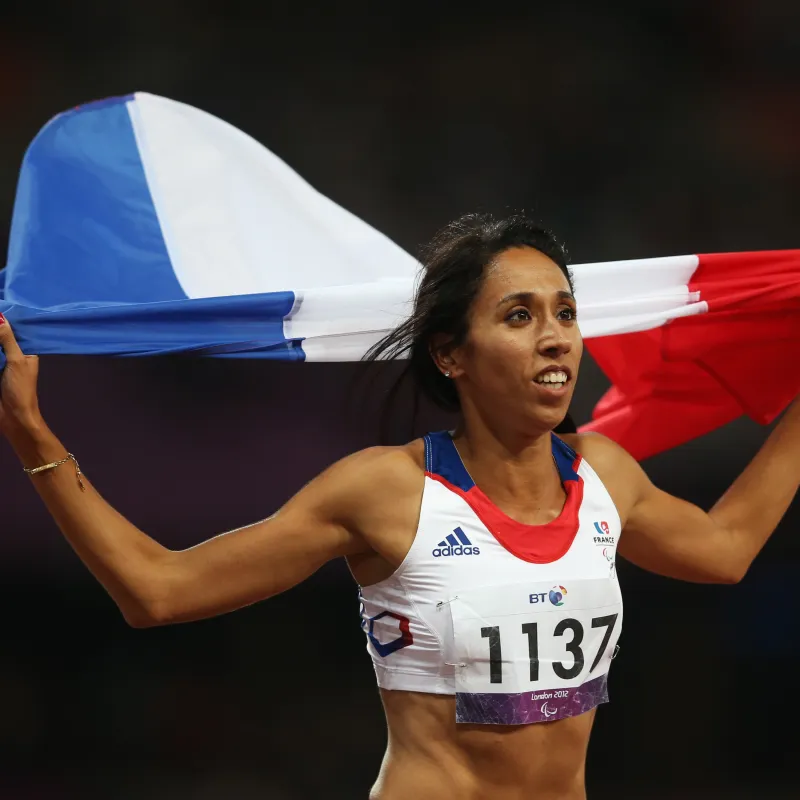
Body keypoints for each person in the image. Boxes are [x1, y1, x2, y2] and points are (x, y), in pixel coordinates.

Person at [0, 214, 797, 800]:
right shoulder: (386, 491)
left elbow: (724, 549)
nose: (555, 337)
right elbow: (159, 590)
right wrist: (33, 433)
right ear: (450, 353)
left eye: (565, 311)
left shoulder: (605, 475)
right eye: (520, 316)